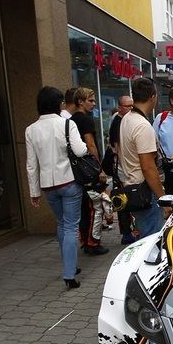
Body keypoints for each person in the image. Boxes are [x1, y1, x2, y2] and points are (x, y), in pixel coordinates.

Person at [25, 87, 87, 288]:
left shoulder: (31, 129)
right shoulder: (67, 124)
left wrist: (34, 192)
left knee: (61, 224)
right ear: (57, 103)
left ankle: (69, 265)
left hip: (47, 185)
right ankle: (69, 273)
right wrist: (85, 147)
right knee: (70, 226)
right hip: (68, 181)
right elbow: (79, 151)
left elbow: (31, 164)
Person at [119, 77, 165, 239]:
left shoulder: (127, 118)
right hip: (145, 192)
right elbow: (148, 166)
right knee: (151, 241)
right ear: (153, 97)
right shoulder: (141, 125)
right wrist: (162, 197)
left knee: (144, 236)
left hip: (133, 187)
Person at [70, 87, 108, 255]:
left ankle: (85, 240)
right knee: (95, 207)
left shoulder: (70, 121)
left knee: (84, 208)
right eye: (90, 100)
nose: (94, 104)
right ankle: (93, 242)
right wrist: (99, 168)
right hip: (89, 169)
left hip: (76, 170)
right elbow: (90, 144)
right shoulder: (86, 120)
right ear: (80, 101)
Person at [105, 95, 135, 245]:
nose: (130, 108)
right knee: (124, 200)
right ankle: (127, 232)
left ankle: (128, 231)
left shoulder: (125, 120)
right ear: (120, 108)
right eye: (127, 106)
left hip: (125, 167)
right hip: (123, 169)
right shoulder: (118, 122)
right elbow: (116, 148)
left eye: (132, 106)